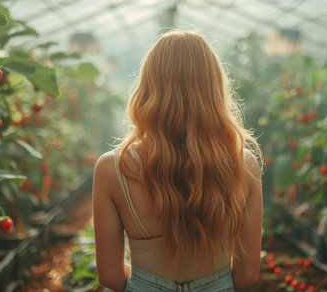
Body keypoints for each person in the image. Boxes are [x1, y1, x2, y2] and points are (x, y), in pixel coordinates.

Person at [92, 29, 263, 292]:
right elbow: (247, 274)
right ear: (214, 87)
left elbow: (110, 275)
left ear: (148, 86)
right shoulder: (244, 165)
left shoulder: (112, 168)